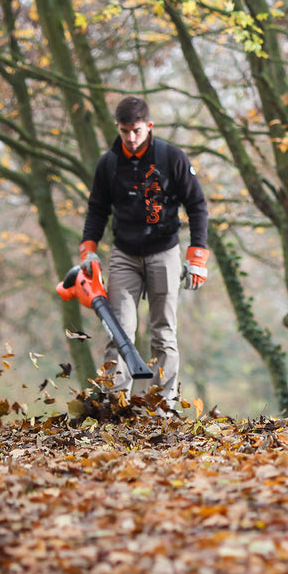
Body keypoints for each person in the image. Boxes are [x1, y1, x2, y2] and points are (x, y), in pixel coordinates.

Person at [78, 96, 209, 404]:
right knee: (117, 331)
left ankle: (162, 406)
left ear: (149, 126)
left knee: (163, 333)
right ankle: (113, 404)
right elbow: (97, 209)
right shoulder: (108, 164)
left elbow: (198, 206)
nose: (131, 138)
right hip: (124, 255)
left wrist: (197, 256)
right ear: (118, 128)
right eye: (125, 131)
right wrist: (88, 250)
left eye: (136, 130)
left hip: (164, 252)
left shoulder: (171, 158)